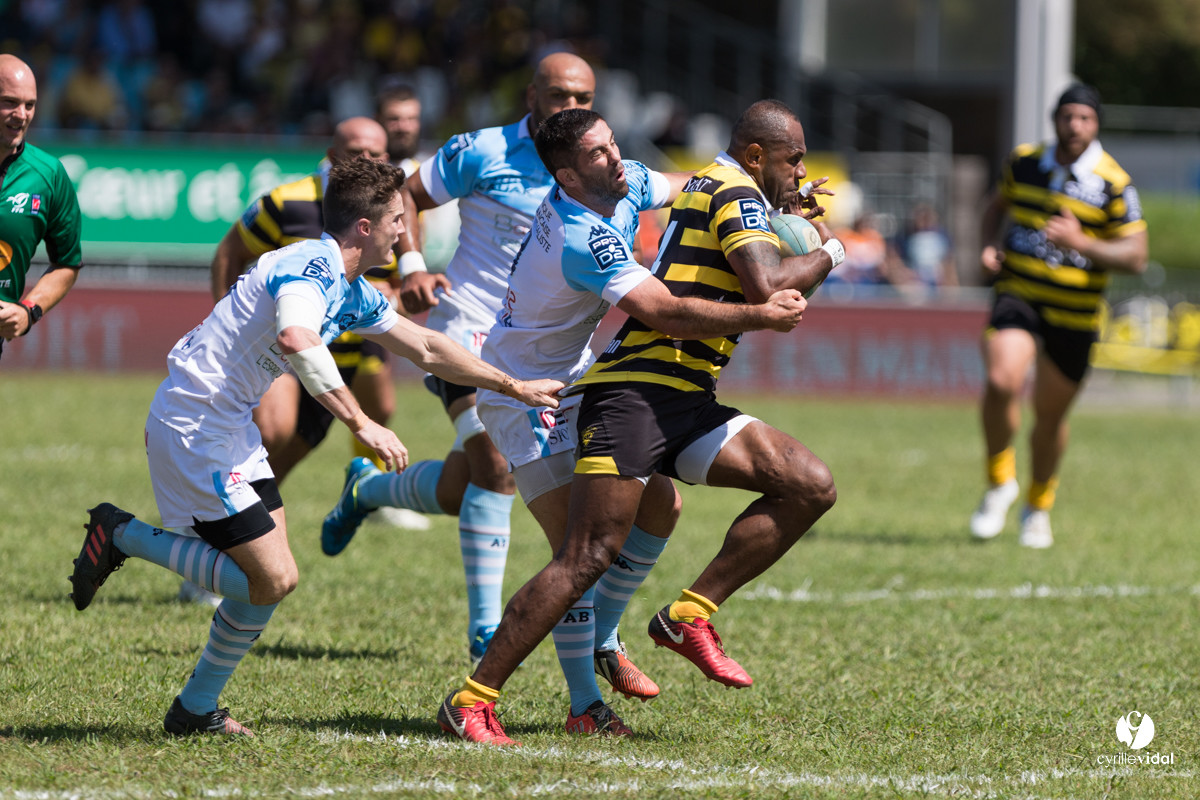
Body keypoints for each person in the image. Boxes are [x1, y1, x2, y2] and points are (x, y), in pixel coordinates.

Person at [324, 108, 808, 736]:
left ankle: (603, 641)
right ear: (568, 178)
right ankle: (563, 703)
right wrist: (760, 314)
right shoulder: (584, 235)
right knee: (580, 553)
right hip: (523, 397)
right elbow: (663, 312)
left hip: (577, 379)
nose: (616, 158)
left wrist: (766, 195)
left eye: (612, 143)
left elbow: (692, 183)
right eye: (599, 154)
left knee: (660, 509)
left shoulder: (619, 177)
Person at [68, 157, 564, 738]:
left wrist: (512, 385)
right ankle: (120, 533)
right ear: (364, 227)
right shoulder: (310, 266)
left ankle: (194, 708)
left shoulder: (349, 287)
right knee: (269, 581)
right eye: (397, 220)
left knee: (269, 584)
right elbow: (296, 336)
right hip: (194, 426)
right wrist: (364, 423)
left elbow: (426, 345)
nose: (405, 231)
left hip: (228, 430)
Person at [324, 52, 598, 665]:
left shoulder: (596, 160)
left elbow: (670, 195)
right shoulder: (482, 149)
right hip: (468, 329)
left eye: (584, 98)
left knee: (464, 487)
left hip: (547, 348)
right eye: (560, 97)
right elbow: (408, 195)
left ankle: (370, 492)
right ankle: (484, 630)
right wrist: (414, 266)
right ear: (532, 95)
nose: (573, 110)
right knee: (497, 467)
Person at [179, 116, 409, 608]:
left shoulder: (391, 210)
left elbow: (403, 296)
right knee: (274, 433)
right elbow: (230, 251)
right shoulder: (286, 202)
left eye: (376, 153)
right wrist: (227, 319)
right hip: (287, 353)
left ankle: (233, 542)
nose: (367, 161)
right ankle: (207, 549)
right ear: (332, 152)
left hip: (342, 358)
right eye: (355, 152)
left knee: (285, 457)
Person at [969, 83, 1148, 548]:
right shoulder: (1024, 161)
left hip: (1075, 313)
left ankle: (1038, 505)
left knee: (1048, 418)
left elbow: (1136, 256)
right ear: (1055, 120)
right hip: (1019, 294)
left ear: (1096, 124)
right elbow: (995, 208)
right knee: (1001, 380)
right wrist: (989, 244)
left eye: (1085, 118)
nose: (1075, 126)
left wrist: (1082, 243)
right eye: (1067, 116)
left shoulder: (1114, 183)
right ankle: (999, 482)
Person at [0, 54, 83, 361]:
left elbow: (67, 263)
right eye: (9, 102)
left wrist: (27, 311)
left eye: (30, 105)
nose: (21, 115)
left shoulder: (48, 175)